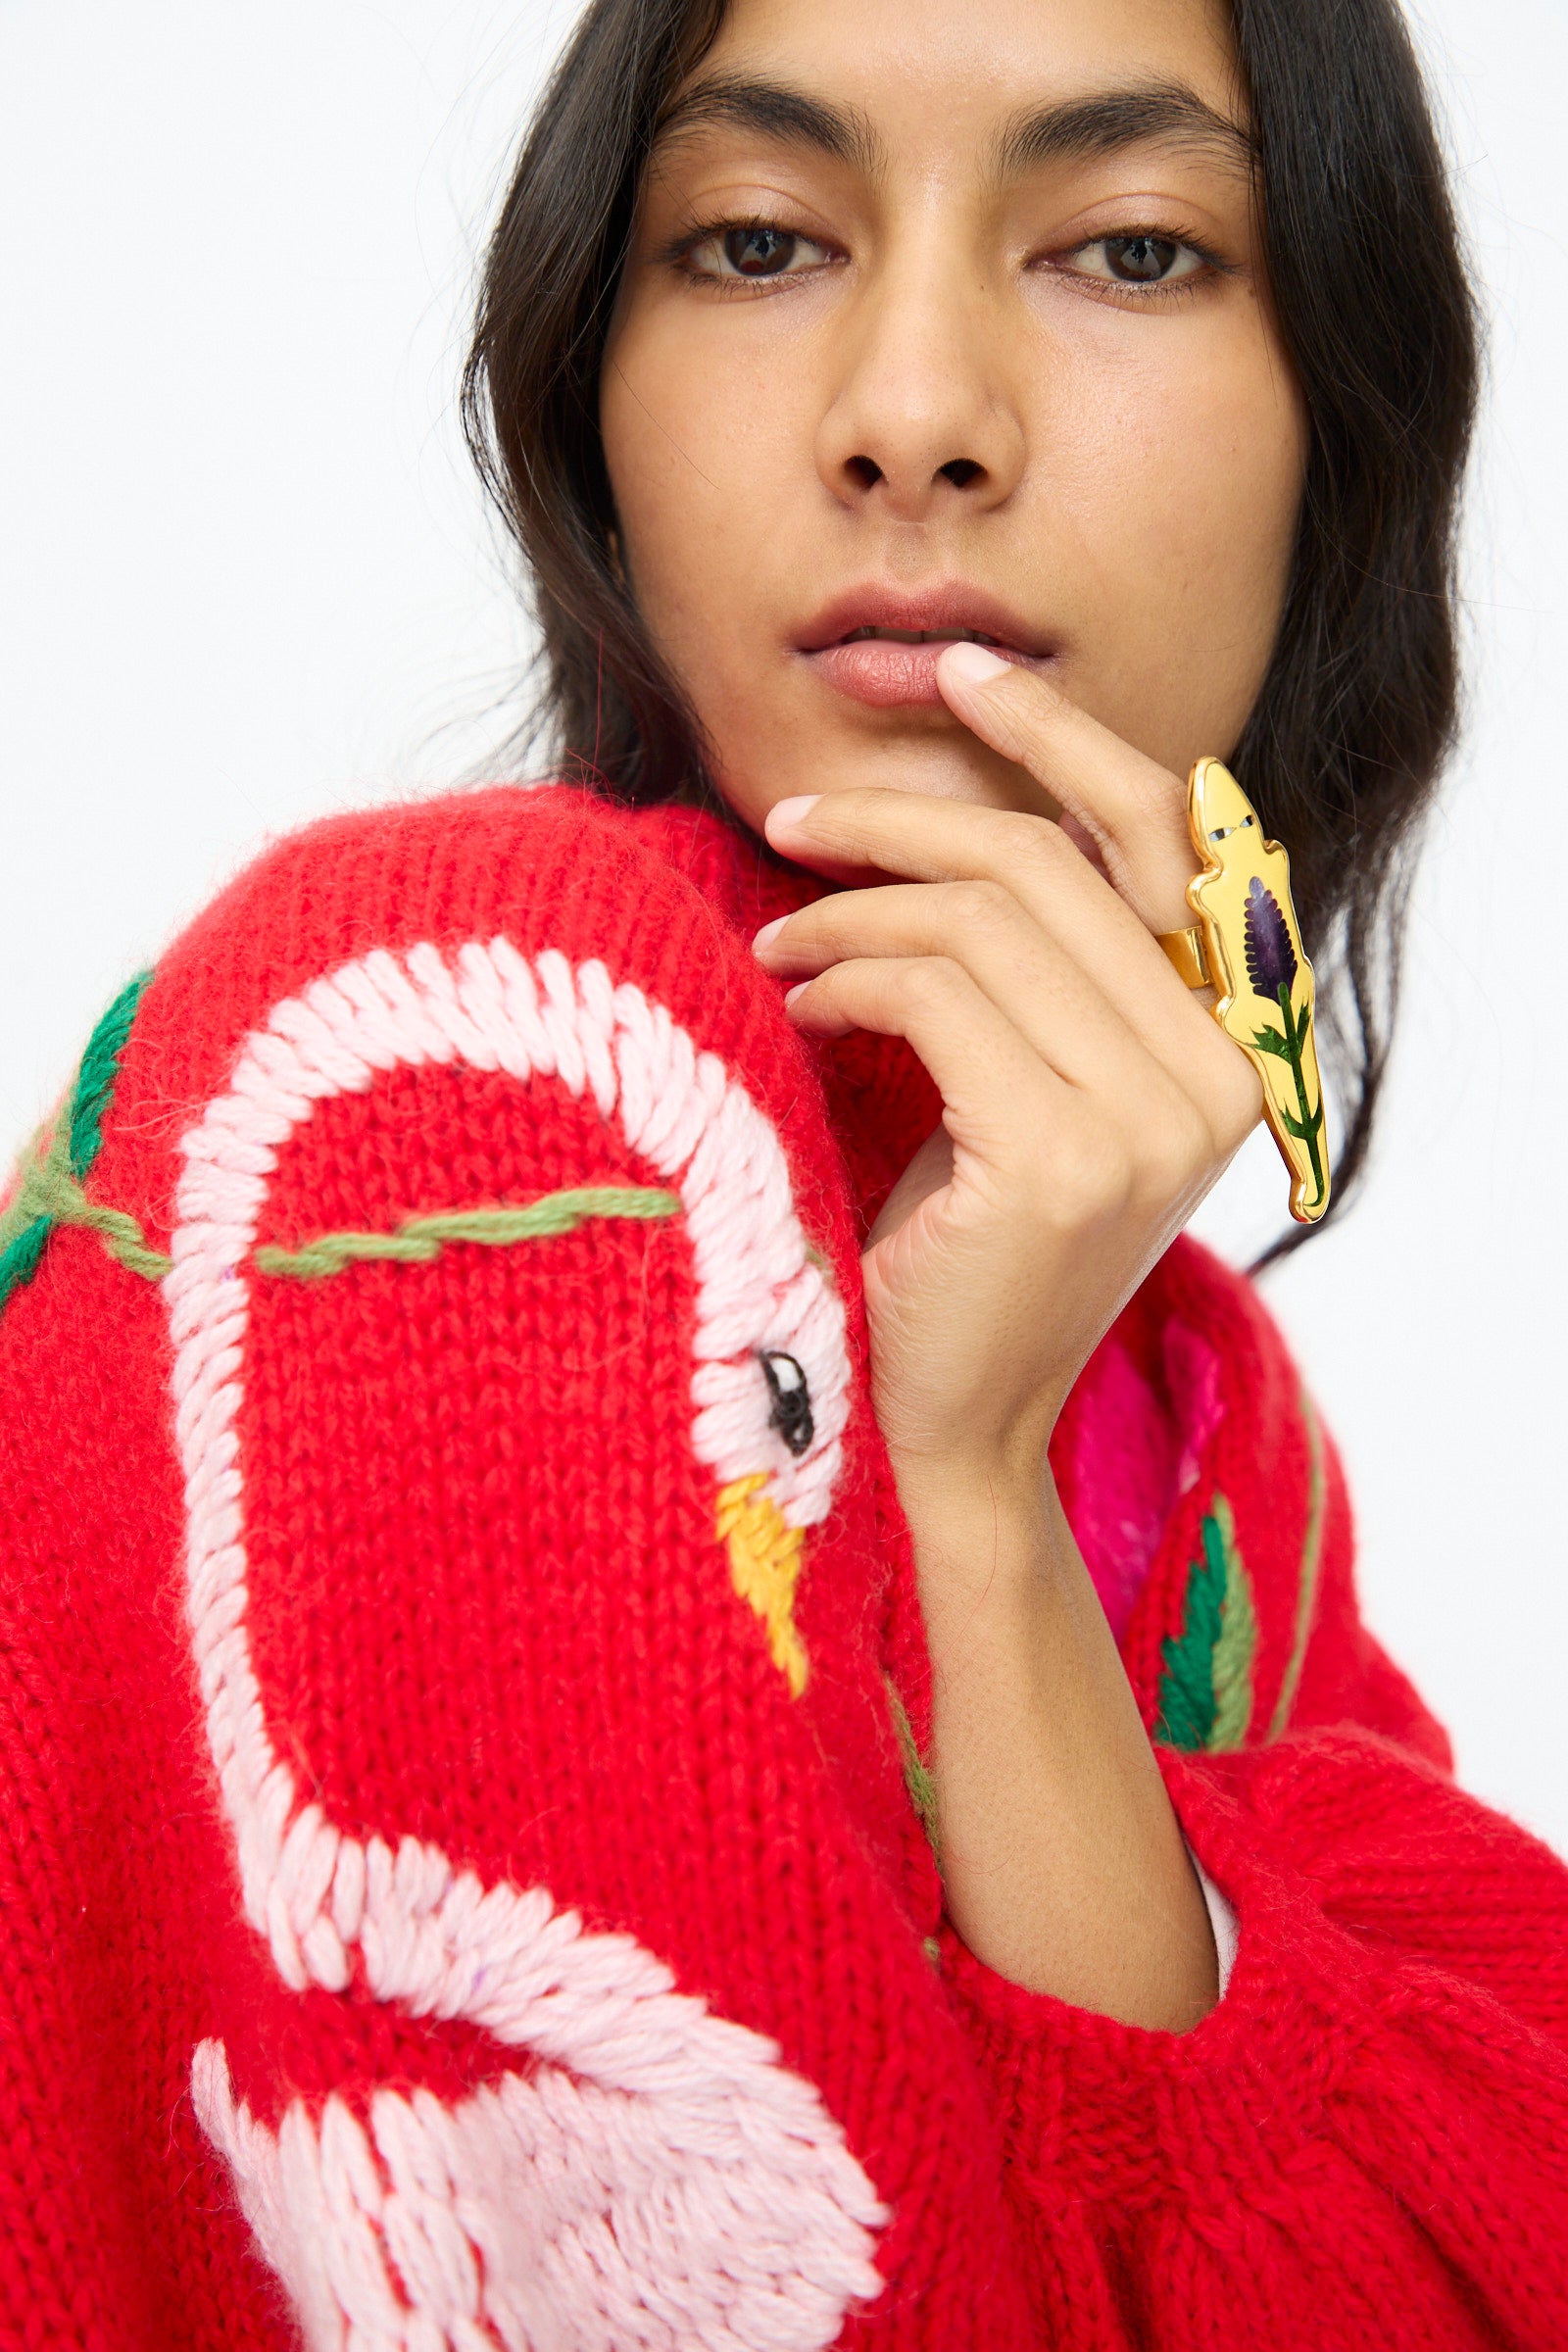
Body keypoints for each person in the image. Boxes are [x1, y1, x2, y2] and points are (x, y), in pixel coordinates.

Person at [1, 0, 1565, 2342]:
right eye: (753, 240)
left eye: (1127, 252)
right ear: (588, 413)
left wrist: (975, 1475)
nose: (913, 417)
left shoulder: (1195, 1406)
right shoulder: (462, 1057)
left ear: (1340, 435)